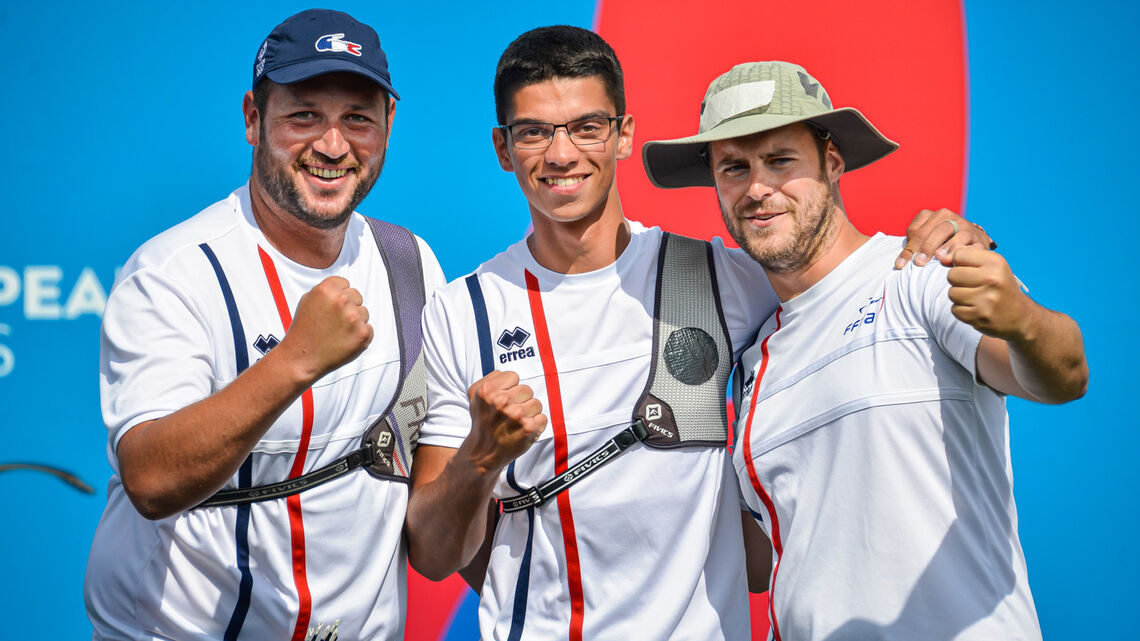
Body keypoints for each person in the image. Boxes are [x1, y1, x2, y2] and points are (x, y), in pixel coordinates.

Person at [404, 27, 989, 641]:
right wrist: (481, 457)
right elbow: (435, 555)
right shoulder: (461, 311)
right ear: (502, 147)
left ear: (624, 134)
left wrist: (951, 244)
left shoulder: (726, 278)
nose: (561, 154)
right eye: (533, 132)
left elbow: (846, 280)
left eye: (587, 127)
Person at [643, 60, 1088, 640]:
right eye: (734, 167)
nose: (756, 189)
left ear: (832, 161)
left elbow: (1063, 376)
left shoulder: (918, 273)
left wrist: (1023, 322)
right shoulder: (751, 366)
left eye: (780, 160)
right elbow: (760, 559)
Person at [84, 9, 445, 641]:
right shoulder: (173, 271)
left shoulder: (409, 263)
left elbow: (428, 501)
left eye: (357, 118)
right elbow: (152, 479)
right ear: (254, 118)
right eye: (303, 115)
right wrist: (295, 359)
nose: (333, 145)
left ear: (388, 124)